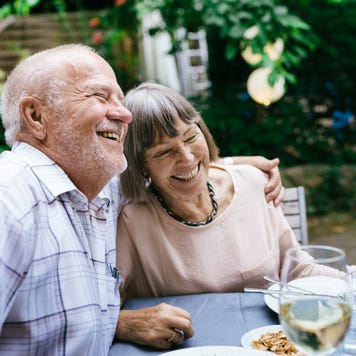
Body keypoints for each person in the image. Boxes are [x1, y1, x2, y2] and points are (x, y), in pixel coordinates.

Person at [0, 45, 283, 353]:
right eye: (99, 96)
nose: (124, 114)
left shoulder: (98, 187)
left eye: (120, 100)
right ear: (36, 116)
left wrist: (234, 165)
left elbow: (169, 167)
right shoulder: (11, 199)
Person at [116, 82, 352, 345]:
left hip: (271, 344)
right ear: (140, 165)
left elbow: (297, 270)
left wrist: (351, 280)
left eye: (191, 137)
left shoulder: (253, 184)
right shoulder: (132, 221)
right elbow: (107, 303)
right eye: (163, 152)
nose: (186, 157)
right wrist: (123, 323)